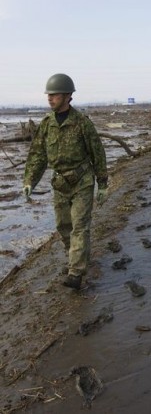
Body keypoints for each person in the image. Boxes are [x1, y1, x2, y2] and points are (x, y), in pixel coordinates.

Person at [23, 73, 108, 290]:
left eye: (55, 95)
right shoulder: (47, 124)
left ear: (68, 96)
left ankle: (76, 272)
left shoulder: (81, 123)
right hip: (60, 184)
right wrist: (29, 181)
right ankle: (76, 259)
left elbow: (97, 153)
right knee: (64, 227)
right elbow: (38, 155)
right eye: (48, 95)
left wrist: (103, 183)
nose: (50, 99)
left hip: (82, 182)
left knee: (80, 226)